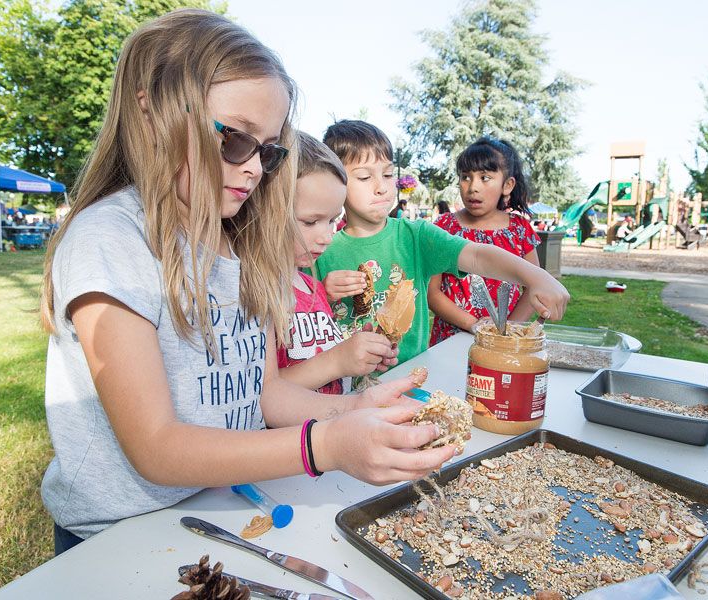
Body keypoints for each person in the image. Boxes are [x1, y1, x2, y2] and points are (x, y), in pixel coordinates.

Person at [38, 10, 456, 556]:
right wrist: (325, 444)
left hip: (207, 509)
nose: (256, 167)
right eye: (235, 139)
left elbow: (263, 394)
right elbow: (157, 448)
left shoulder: (233, 244)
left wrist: (352, 411)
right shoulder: (110, 242)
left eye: (269, 148)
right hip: (114, 539)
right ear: (153, 112)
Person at [315, 120, 568, 366]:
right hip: (342, 390)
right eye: (364, 177)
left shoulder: (417, 235)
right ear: (336, 181)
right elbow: (294, 324)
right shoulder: (320, 248)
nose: (381, 187)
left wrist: (537, 277)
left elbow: (478, 256)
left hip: (409, 380)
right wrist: (322, 294)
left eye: (388, 174)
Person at [277, 132, 398, 394]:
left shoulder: (314, 288)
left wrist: (360, 354)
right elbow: (263, 392)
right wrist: (338, 361)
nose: (328, 236)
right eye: (311, 222)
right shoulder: (261, 293)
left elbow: (319, 356)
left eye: (333, 220)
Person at [427, 138, 542, 345]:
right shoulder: (443, 228)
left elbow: (534, 285)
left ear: (507, 185)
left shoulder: (519, 229)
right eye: (465, 177)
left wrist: (506, 330)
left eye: (485, 177)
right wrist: (475, 325)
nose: (473, 187)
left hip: (504, 343)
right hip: (449, 340)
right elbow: (431, 291)